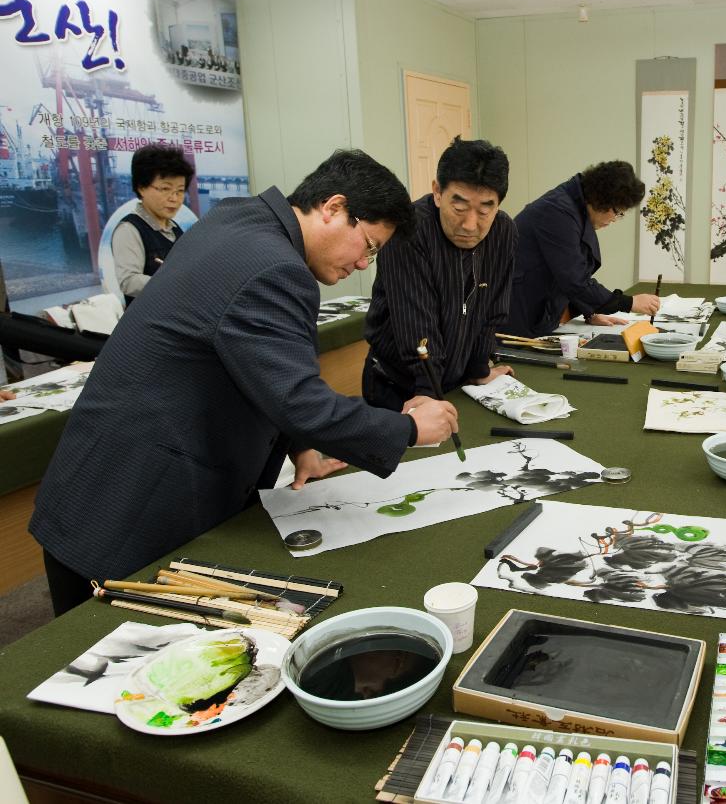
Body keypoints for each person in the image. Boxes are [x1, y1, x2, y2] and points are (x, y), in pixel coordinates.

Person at [29, 150, 459, 616]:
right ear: (333, 208)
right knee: (104, 660)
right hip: (128, 507)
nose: (363, 266)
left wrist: (299, 444)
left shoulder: (242, 218)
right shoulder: (275, 268)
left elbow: (254, 367)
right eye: (369, 247)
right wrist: (411, 429)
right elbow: (300, 399)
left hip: (103, 482)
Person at [362, 137, 516, 414]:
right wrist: (428, 391)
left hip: (454, 382)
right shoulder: (409, 231)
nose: (470, 225)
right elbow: (417, 327)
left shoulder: (503, 231)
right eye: (459, 208)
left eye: (485, 210)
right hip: (400, 386)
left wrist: (479, 368)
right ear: (437, 192)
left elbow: (492, 308)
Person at [503, 161, 657, 338]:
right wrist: (629, 303)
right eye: (617, 212)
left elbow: (566, 270)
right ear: (602, 200)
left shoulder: (574, 203)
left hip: (536, 307)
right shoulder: (557, 212)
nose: (615, 219)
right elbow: (574, 279)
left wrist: (589, 311)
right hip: (517, 312)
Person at [113, 144, 195, 304]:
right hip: (147, 324)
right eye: (165, 189)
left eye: (180, 191)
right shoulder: (129, 229)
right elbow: (128, 281)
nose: (174, 198)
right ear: (142, 187)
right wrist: (175, 284)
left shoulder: (175, 229)